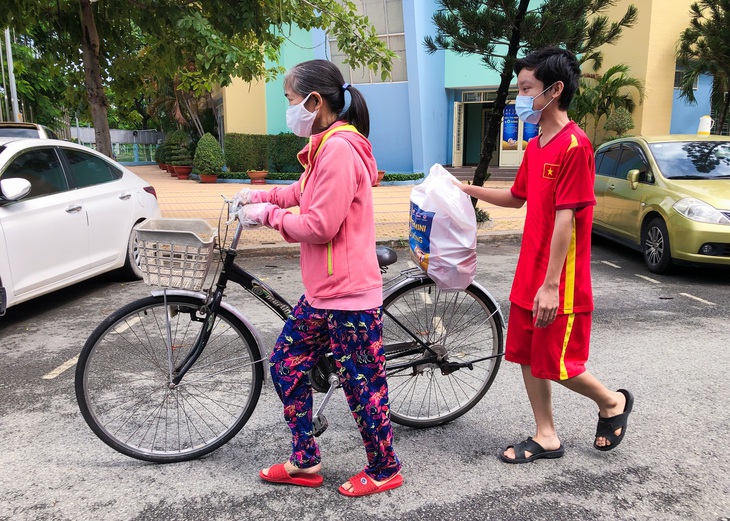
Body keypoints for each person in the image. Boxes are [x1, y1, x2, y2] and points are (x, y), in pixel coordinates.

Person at [456, 47, 634, 463]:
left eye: (526, 89)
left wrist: (551, 286)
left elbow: (566, 220)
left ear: (555, 90)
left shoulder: (576, 146)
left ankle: (612, 403)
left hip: (561, 279)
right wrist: (464, 189)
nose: (521, 98)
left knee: (557, 361)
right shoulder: (537, 145)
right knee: (525, 355)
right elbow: (516, 197)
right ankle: (546, 435)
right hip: (529, 271)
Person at [233, 59, 402, 495]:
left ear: (314, 101)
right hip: (323, 292)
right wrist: (260, 194)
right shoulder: (324, 145)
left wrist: (267, 216)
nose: (288, 109)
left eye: (290, 101)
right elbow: (300, 192)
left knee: (361, 386)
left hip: (348, 295)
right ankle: (305, 461)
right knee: (286, 365)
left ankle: (385, 469)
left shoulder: (341, 149)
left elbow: (319, 225)